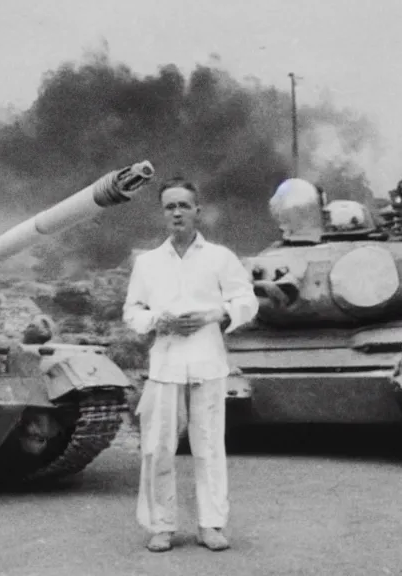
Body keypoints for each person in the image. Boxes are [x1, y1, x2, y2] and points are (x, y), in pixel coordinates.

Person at [122, 177, 259, 553]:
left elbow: (247, 301)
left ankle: (211, 525)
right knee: (157, 446)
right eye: (170, 206)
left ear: (198, 211)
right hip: (165, 362)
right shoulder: (147, 263)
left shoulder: (220, 257)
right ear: (162, 214)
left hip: (207, 360)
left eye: (184, 205)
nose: (177, 212)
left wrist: (216, 313)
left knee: (209, 446)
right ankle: (161, 526)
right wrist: (157, 321)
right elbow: (132, 312)